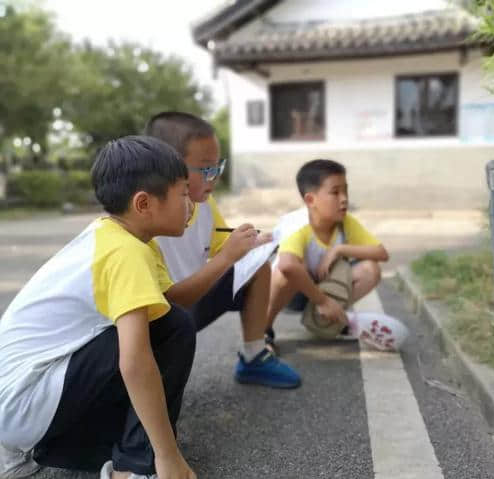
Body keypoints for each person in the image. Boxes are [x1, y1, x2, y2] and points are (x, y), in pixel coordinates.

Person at [0, 136, 197, 479]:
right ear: (143, 204)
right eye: (183, 193)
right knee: (172, 328)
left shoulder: (112, 235)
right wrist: (166, 455)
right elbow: (135, 362)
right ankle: (134, 466)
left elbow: (170, 299)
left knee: (164, 319)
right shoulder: (126, 252)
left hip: (17, 402)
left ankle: (49, 450)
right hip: (24, 403)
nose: (191, 202)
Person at [144, 111, 301, 389]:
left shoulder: (204, 205)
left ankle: (254, 355)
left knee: (257, 266)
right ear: (166, 167)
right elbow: (166, 299)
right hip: (160, 323)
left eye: (218, 167)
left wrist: (250, 245)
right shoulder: (145, 223)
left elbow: (221, 247)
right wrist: (229, 255)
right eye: (206, 169)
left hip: (188, 306)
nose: (214, 178)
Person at [266, 159, 389, 347]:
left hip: (321, 287)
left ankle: (325, 319)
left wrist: (339, 249)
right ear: (310, 200)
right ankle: (264, 330)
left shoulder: (344, 222)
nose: (344, 199)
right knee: (285, 272)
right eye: (335, 192)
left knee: (370, 270)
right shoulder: (298, 224)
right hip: (291, 294)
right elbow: (287, 265)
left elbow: (381, 253)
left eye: (345, 190)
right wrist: (322, 301)